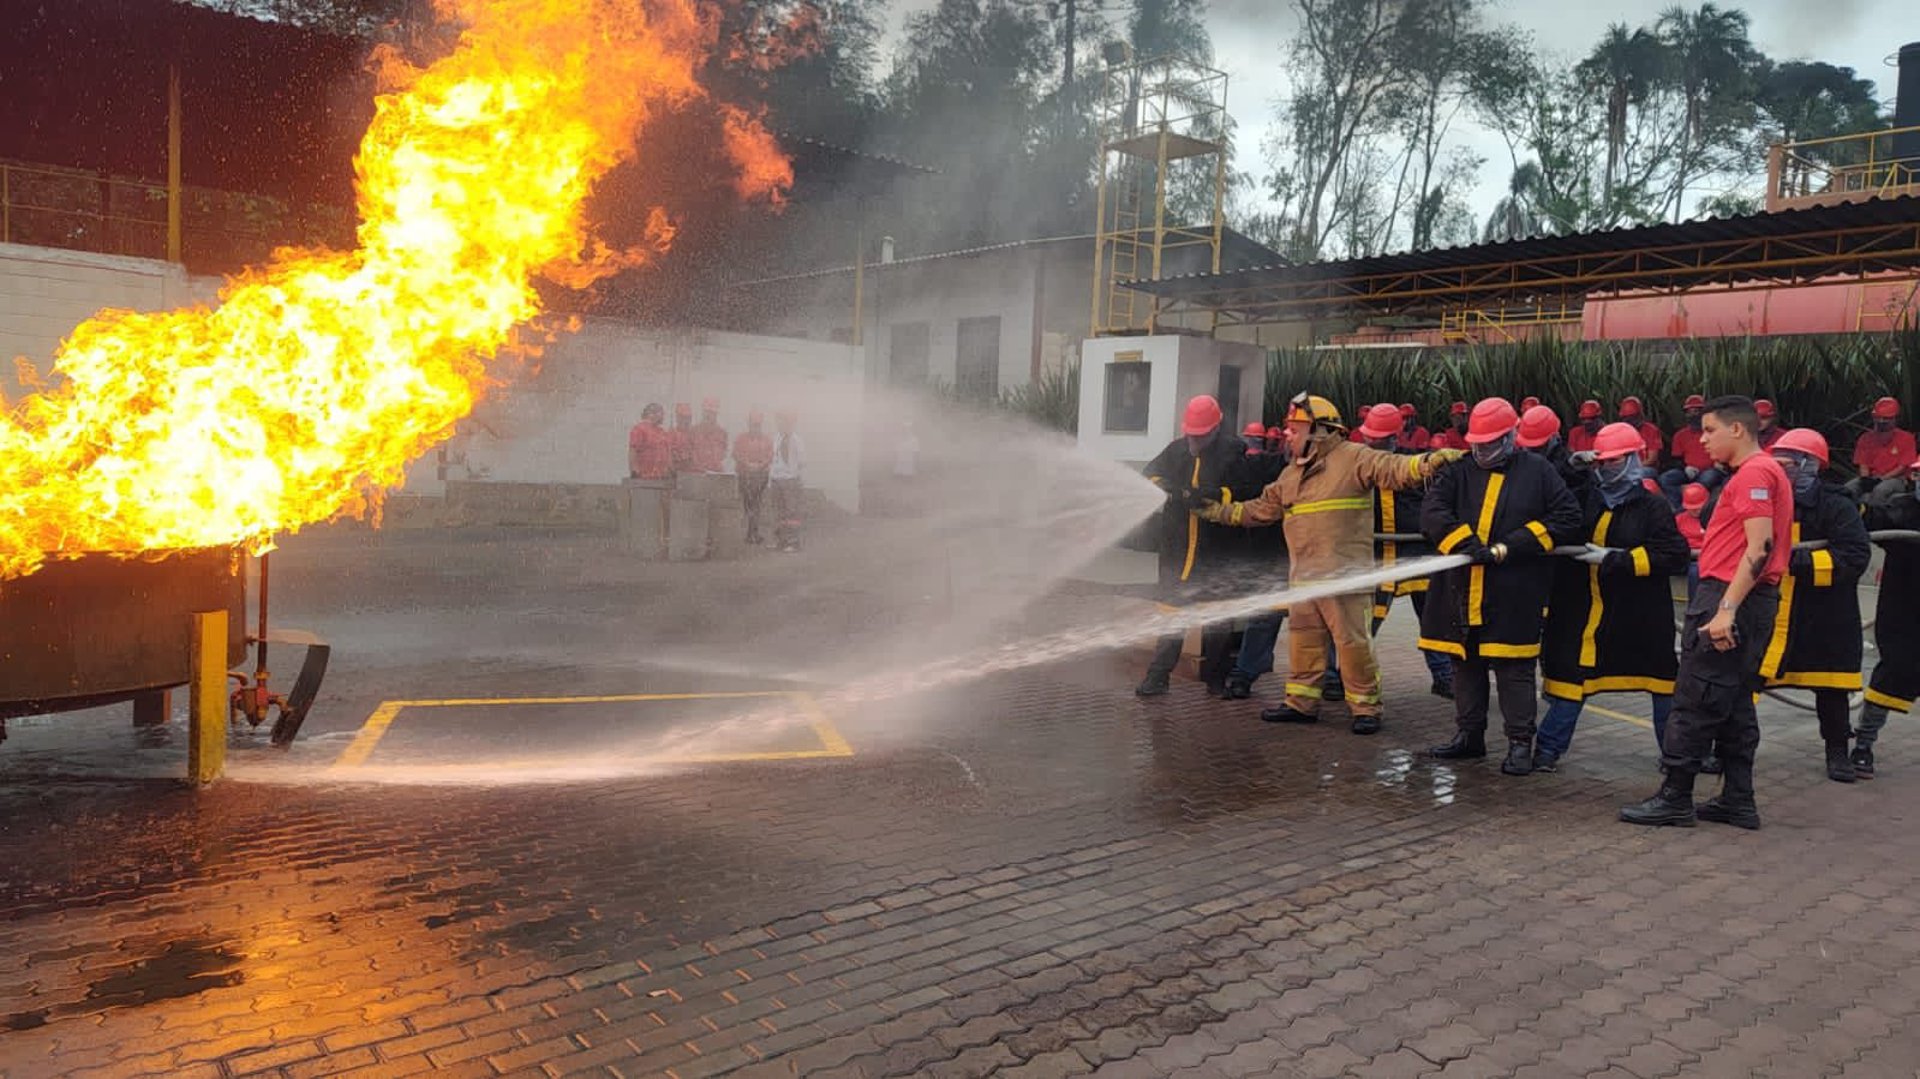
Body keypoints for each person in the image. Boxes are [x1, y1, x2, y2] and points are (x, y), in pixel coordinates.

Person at [1202, 394, 1462, 734]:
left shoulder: (1354, 458)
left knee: (1354, 647)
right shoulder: (1291, 475)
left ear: (1319, 430)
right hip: (1304, 582)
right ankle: (1301, 703)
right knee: (1304, 646)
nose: (1287, 435)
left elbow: (1395, 468)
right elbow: (1257, 510)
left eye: (1295, 429)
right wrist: (1213, 511)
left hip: (1344, 581)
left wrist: (1432, 461)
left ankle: (1366, 709)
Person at [1621, 396, 1792, 830]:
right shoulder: (1762, 471)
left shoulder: (1754, 473)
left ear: (1737, 429)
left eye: (1710, 430)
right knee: (1734, 702)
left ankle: (1675, 796)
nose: (1702, 440)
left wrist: (1726, 609)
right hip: (1747, 598)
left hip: (1730, 596)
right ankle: (1737, 798)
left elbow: (1760, 547)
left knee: (1696, 698)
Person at [1422, 398, 1582, 774]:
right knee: (1465, 666)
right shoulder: (1459, 470)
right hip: (1461, 589)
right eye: (1477, 444)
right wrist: (1463, 543)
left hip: (1513, 589)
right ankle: (1469, 736)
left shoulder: (1538, 471)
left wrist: (1508, 547)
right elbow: (1431, 511)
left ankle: (1520, 744)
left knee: (1514, 669)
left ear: (1510, 438)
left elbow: (1567, 517)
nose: (1482, 451)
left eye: (1490, 443)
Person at [1534, 423, 1690, 772]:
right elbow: (1551, 499)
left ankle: (1675, 755)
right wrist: (1570, 468)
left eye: (1614, 461)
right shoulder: (1585, 498)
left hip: (1638, 615)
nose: (1605, 468)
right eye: (1600, 462)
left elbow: (1674, 555)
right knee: (1572, 680)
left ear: (1633, 460)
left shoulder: (1653, 506)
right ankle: (1546, 751)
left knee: (1662, 682)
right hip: (1585, 611)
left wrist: (1617, 559)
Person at [1138, 395, 1271, 698]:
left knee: (1217, 618)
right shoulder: (1175, 451)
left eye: (1200, 436)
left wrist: (1213, 495)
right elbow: (1151, 473)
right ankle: (1158, 676)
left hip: (1216, 551)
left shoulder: (1234, 452)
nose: (1194, 441)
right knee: (1172, 614)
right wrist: (1169, 489)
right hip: (1178, 548)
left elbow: (1248, 489)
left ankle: (1216, 679)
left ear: (1215, 429)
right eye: (1190, 435)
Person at [1759, 429, 1872, 782]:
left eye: (1789, 463)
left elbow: (1854, 556)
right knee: (1744, 683)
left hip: (1822, 613)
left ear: (1811, 465)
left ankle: (1837, 753)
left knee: (1831, 687)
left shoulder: (1836, 506)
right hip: (1769, 608)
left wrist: (1796, 562)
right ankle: (1725, 750)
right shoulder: (1763, 498)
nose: (1781, 469)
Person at [1354, 404, 1455, 699]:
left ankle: (1444, 676)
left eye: (1378, 437)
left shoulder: (1416, 464)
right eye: (1370, 436)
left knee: (1433, 617)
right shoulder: (1357, 463)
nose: (1372, 441)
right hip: (1376, 556)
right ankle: (1341, 675)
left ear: (1394, 437)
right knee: (1362, 622)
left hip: (1416, 554)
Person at [1856, 459, 1920, 778]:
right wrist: (1855, 503)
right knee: (1895, 672)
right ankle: (1863, 745)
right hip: (1904, 613)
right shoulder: (1903, 509)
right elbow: (1873, 520)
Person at [1661, 394, 1722, 506]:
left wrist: (1720, 463)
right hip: (1688, 471)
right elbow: (1676, 459)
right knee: (1666, 479)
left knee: (1707, 479)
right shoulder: (1680, 435)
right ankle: (1678, 507)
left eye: (1697, 411)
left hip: (1710, 470)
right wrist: (1685, 468)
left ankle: (1697, 507)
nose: (1693, 415)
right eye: (1689, 412)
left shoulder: (1715, 432)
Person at [1850, 396, 1916, 488]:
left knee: (1880, 490)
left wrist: (1881, 479)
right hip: (1873, 476)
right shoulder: (1865, 438)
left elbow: (1902, 467)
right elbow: (1863, 464)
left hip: (1897, 478)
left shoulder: (1907, 438)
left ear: (1895, 418)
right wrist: (1865, 479)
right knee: (1849, 489)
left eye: (1886, 418)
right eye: (1878, 418)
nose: (1881, 421)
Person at [733, 409, 774, 545]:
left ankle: (752, 532)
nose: (755, 427)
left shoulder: (766, 440)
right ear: (749, 424)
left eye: (757, 425)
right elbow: (736, 454)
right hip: (744, 476)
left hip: (760, 477)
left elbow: (770, 456)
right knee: (749, 504)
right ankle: (750, 532)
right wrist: (747, 465)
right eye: (753, 424)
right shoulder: (741, 438)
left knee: (755, 503)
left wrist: (759, 466)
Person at [769, 410, 805, 552]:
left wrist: (794, 474)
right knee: (779, 511)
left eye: (784, 421)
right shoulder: (776, 438)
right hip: (776, 479)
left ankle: (793, 541)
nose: (781, 424)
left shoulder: (796, 440)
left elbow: (802, 462)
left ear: (790, 424)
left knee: (791, 511)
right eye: (779, 421)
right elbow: (773, 457)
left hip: (790, 480)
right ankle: (780, 540)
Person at [1676, 482, 1709, 598]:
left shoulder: (1714, 518)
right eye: (1691, 508)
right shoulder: (1679, 519)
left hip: (1708, 557)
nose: (1695, 511)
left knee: (1696, 570)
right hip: (1686, 557)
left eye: (1698, 508)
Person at [628, 402, 673, 480]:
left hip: (661, 478)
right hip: (644, 478)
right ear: (652, 413)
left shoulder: (662, 432)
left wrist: (671, 470)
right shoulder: (639, 429)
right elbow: (633, 450)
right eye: (662, 413)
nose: (663, 417)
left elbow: (667, 453)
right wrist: (634, 470)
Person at [1616, 396, 1664, 466]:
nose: (1630, 421)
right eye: (1627, 418)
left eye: (1633, 417)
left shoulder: (1651, 430)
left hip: (1644, 467)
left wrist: (1634, 467)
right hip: (1624, 467)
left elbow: (1652, 459)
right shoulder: (1620, 431)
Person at [690, 397, 728, 473]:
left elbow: (723, 454)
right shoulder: (694, 431)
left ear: (716, 414)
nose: (709, 415)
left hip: (716, 473)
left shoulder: (722, 433)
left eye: (712, 413)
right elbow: (690, 452)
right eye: (707, 412)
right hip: (697, 473)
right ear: (703, 413)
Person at [668, 402, 696, 473]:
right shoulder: (671, 434)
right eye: (683, 417)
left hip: (691, 472)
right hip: (676, 472)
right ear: (678, 418)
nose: (686, 421)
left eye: (688, 418)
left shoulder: (694, 434)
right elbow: (669, 454)